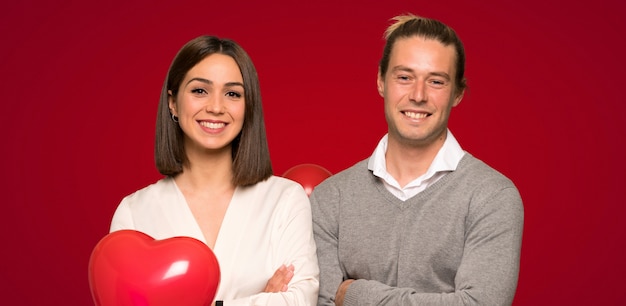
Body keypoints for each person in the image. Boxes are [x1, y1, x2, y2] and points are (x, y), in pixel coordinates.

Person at [310, 14, 524, 305]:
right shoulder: (330, 199)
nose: (418, 95)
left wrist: (357, 294)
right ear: (381, 81)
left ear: (458, 93)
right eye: (404, 77)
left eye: (436, 81)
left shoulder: (492, 197)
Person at [110, 35, 319, 305]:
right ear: (173, 102)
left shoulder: (285, 199)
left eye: (232, 93)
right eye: (200, 91)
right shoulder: (134, 213)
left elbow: (301, 301)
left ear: (248, 107)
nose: (216, 107)